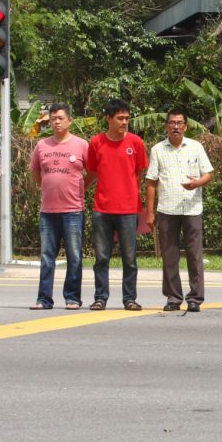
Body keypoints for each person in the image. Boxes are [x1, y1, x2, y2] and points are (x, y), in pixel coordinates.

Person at [145, 107, 214, 312]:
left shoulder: (195, 147)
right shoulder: (157, 149)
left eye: (179, 123)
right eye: (172, 123)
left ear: (185, 126)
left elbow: (208, 173)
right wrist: (149, 212)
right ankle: (173, 297)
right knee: (169, 255)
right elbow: (151, 182)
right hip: (167, 209)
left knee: (194, 254)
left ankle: (195, 298)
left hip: (192, 208)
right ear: (166, 126)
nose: (175, 126)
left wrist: (197, 183)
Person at [86, 99, 148, 311]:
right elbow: (92, 172)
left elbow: (139, 172)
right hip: (101, 209)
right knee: (101, 257)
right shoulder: (96, 143)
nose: (124, 122)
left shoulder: (136, 143)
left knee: (129, 259)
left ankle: (129, 299)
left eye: (127, 118)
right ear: (108, 119)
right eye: (120, 118)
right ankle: (100, 297)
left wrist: (128, 192)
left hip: (128, 210)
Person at [29, 103, 89, 310]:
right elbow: (35, 173)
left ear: (69, 120)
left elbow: (92, 172)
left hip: (73, 210)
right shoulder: (42, 146)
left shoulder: (81, 145)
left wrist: (78, 188)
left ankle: (72, 297)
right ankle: (44, 299)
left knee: (74, 256)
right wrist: (48, 186)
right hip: (48, 212)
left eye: (61, 118)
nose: (57, 121)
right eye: (53, 118)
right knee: (47, 257)